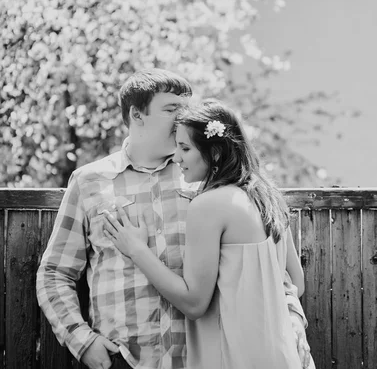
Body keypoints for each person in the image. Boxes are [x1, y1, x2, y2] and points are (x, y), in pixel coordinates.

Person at [36, 69, 310, 369]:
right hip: (122, 358)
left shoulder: (206, 179)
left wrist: (293, 318)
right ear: (137, 115)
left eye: (186, 108)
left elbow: (268, 272)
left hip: (201, 357)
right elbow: (54, 273)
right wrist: (81, 339)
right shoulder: (89, 181)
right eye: (171, 109)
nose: (183, 117)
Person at [102, 98, 315, 368]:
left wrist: (137, 250)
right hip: (279, 353)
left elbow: (193, 304)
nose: (176, 157)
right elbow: (297, 282)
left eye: (185, 148)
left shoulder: (208, 205)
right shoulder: (266, 197)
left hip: (234, 357)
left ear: (214, 152)